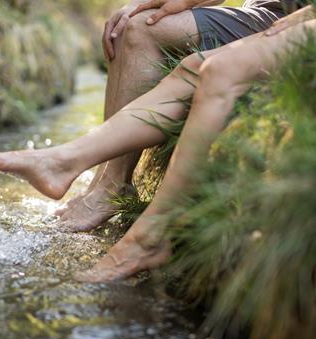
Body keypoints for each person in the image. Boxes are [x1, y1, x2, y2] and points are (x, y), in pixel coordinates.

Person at [0, 6, 315, 282]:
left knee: (216, 70)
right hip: (273, 11)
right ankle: (78, 169)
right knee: (174, 52)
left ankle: (151, 233)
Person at [55, 0, 303, 232]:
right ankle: (102, 181)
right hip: (264, 12)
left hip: (290, 22)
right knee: (129, 24)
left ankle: (113, 186)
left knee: (142, 29)